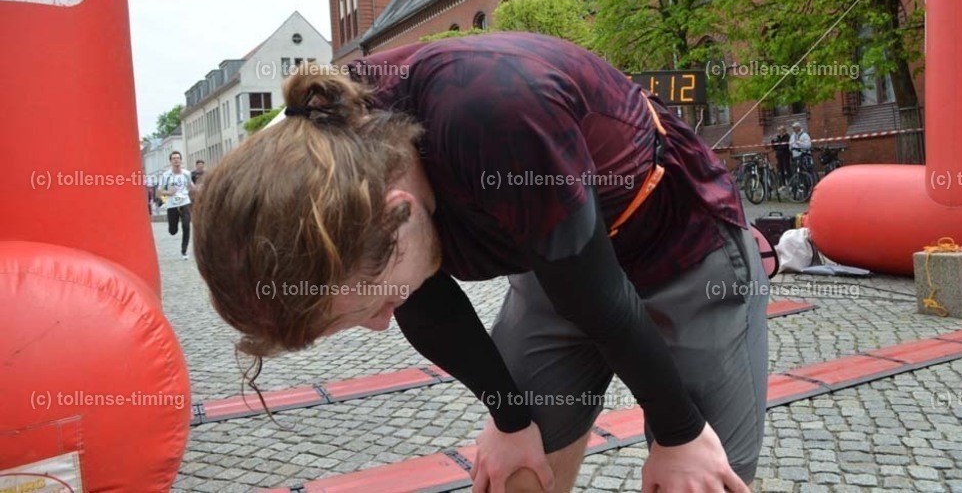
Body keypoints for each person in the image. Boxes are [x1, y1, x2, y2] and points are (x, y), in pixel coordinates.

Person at [193, 32, 768, 492]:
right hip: (557, 262)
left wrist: (680, 431)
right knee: (516, 473)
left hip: (678, 247)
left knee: (700, 478)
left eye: (371, 305)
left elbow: (603, 302)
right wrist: (511, 419)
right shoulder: (322, 154)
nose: (379, 323)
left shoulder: (494, 110)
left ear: (400, 213)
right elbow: (428, 305)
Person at [161, 151, 195, 260]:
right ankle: (172, 227)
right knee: (173, 231)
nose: (176, 160)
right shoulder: (166, 175)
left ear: (181, 160)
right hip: (172, 204)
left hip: (185, 202)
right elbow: (159, 191)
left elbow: (191, 186)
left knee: (186, 226)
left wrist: (200, 190)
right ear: (170, 161)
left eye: (178, 158)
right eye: (174, 158)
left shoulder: (186, 173)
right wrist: (168, 193)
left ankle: (184, 251)